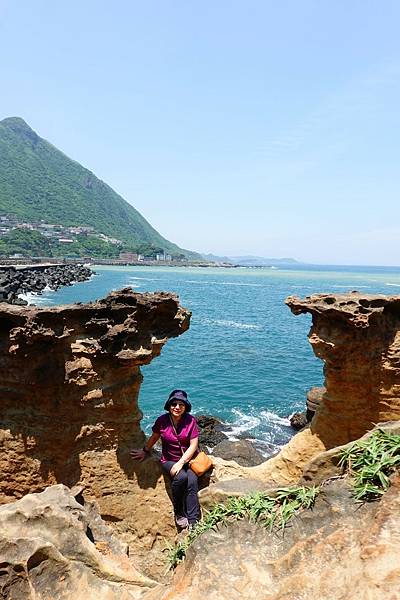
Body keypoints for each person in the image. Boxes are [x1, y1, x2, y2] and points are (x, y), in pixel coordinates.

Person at [130, 389, 201, 529]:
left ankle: (194, 521)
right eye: (174, 404)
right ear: (169, 405)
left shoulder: (190, 421)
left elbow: (194, 445)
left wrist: (182, 462)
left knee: (192, 481)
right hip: (170, 460)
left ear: (186, 407)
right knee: (181, 478)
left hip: (189, 459)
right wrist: (145, 451)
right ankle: (179, 512)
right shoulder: (162, 421)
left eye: (181, 404)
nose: (177, 407)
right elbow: (155, 437)